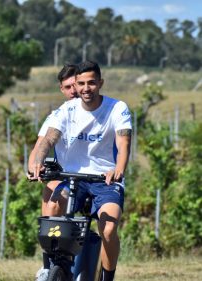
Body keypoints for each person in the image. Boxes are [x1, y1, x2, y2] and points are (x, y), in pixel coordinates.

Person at [30, 61, 132, 281]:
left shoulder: (117, 108)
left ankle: (108, 276)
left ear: (100, 83)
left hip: (105, 179)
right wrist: (38, 162)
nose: (86, 88)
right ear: (76, 85)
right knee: (53, 207)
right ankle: (56, 265)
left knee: (108, 229)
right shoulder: (66, 110)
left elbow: (124, 144)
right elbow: (48, 139)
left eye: (92, 83)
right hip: (74, 178)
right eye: (82, 84)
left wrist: (118, 170)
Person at [27, 64, 78, 281]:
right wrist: (33, 167)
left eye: (76, 85)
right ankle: (49, 264)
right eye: (68, 87)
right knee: (50, 190)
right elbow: (40, 145)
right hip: (66, 178)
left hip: (92, 177)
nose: (73, 91)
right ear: (62, 89)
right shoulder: (57, 116)